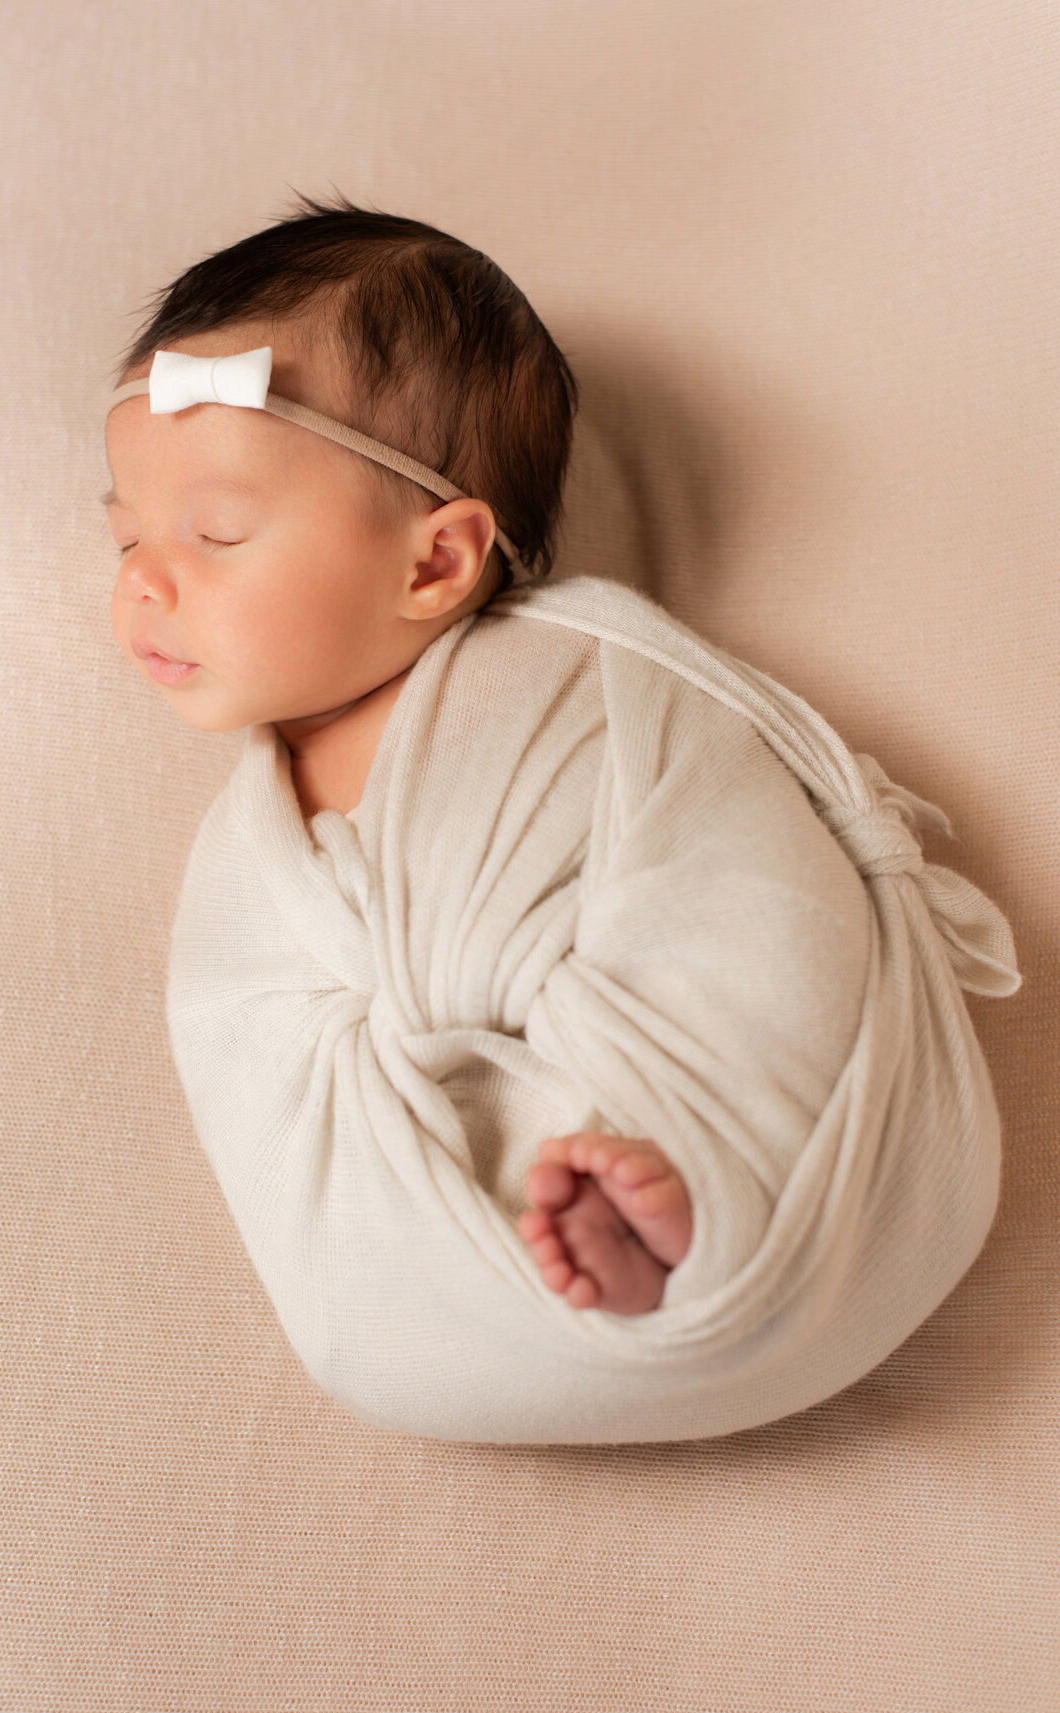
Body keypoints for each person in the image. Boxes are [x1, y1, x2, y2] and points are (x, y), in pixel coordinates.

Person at [100, 196, 1019, 1443]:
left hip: (689, 1052)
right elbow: (252, 1033)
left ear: (435, 564)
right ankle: (599, 1234)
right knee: (364, 1168)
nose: (145, 580)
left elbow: (721, 870)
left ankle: (703, 1190)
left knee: (751, 929)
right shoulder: (246, 851)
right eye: (127, 535)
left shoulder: (572, 687)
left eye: (216, 533)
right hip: (448, 1213)